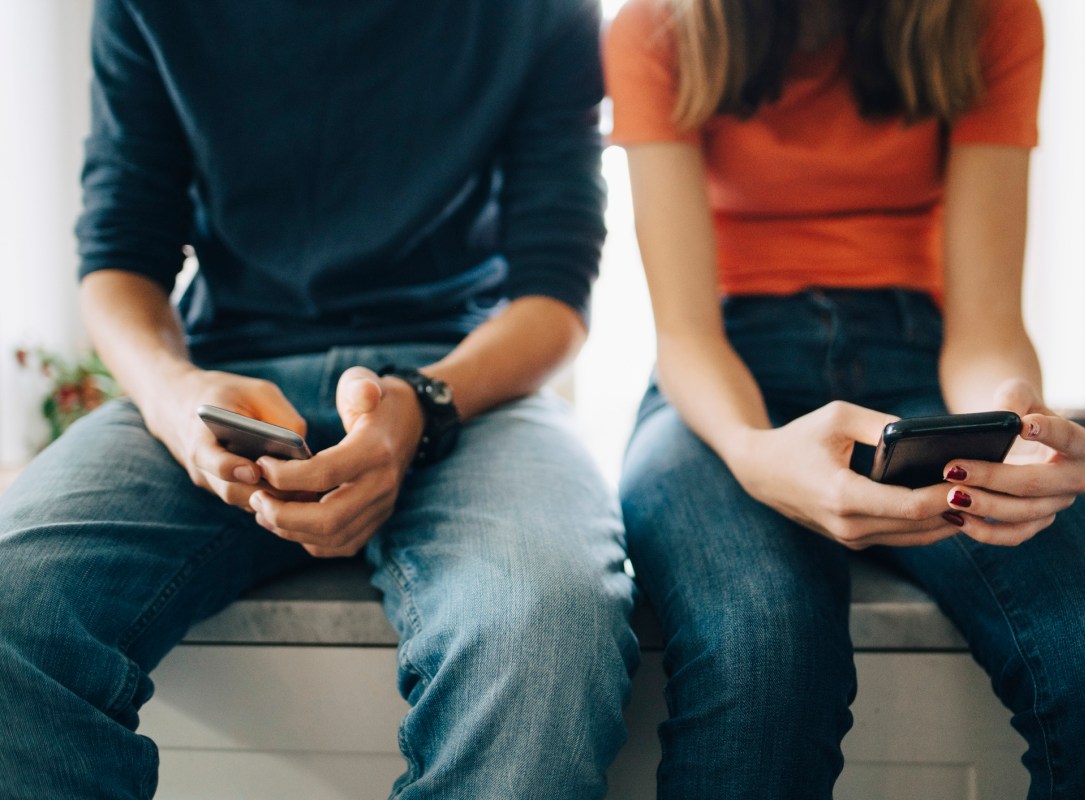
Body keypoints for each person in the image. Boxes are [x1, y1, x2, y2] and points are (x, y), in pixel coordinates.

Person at [0, 1, 638, 798]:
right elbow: (119, 255)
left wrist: (423, 403)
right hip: (224, 379)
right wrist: (175, 397)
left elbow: (556, 294)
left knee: (546, 624)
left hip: (465, 384)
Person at [604, 0, 1085, 798]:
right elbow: (687, 335)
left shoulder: (990, 18)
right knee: (763, 649)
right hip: (724, 386)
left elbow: (985, 325)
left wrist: (1014, 428)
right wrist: (754, 452)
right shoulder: (656, 29)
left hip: (921, 364)